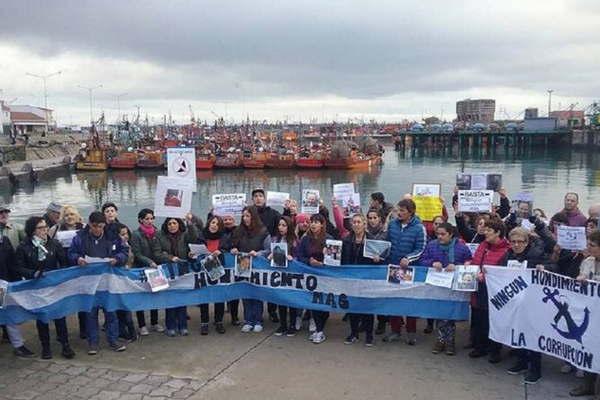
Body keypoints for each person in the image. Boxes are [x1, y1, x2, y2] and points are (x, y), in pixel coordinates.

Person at [14, 216, 75, 360]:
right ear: (32, 230)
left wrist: (61, 276)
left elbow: (64, 263)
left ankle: (65, 345)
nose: (44, 230)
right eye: (40, 228)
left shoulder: (54, 244)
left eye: (45, 227)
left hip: (54, 286)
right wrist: (32, 274)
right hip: (36, 288)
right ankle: (46, 347)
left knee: (59, 316)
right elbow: (18, 267)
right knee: (42, 317)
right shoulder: (24, 247)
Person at [68, 211, 129, 354]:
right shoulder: (79, 238)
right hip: (89, 281)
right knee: (90, 313)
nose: (98, 229)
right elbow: (71, 253)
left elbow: (124, 251)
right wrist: (78, 259)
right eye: (95, 226)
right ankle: (93, 343)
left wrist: (117, 259)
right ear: (89, 224)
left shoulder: (112, 237)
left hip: (107, 280)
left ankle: (113, 340)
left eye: (101, 226)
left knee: (111, 311)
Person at [499, 227, 548, 384]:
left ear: (527, 242)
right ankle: (521, 362)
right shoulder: (508, 255)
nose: (516, 245)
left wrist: (544, 268)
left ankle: (535, 369)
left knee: (532, 336)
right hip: (516, 302)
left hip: (533, 302)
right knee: (518, 332)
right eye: (513, 242)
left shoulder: (537, 254)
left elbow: (555, 268)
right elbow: (499, 270)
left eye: (520, 242)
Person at [419, 222, 472, 355]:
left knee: (450, 315)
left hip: (454, 286)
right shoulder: (431, 245)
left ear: (451, 234)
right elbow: (422, 260)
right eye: (438, 234)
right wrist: (432, 263)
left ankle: (450, 341)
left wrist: (457, 266)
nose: (440, 237)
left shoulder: (461, 247)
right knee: (440, 313)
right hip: (437, 285)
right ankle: (441, 340)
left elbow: (469, 262)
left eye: (443, 234)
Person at [384, 199, 427, 345]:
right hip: (393, 268)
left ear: (411, 212)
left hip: (410, 269)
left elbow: (421, 249)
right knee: (393, 299)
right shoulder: (392, 225)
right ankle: (395, 330)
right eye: (398, 210)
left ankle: (411, 332)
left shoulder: (419, 228)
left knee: (409, 301)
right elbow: (387, 244)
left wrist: (408, 258)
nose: (399, 213)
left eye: (402, 210)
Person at [469, 218, 509, 363]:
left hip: (493, 291)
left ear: (498, 232)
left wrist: (485, 277)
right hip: (479, 288)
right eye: (485, 230)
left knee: (493, 320)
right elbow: (475, 262)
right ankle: (480, 346)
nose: (485, 233)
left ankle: (494, 350)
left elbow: (502, 273)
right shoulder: (483, 245)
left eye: (489, 231)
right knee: (479, 318)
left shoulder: (506, 251)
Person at [341, 214, 384, 347]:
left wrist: (377, 259)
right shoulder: (346, 239)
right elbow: (341, 259)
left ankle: (369, 335)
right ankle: (354, 333)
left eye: (359, 222)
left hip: (367, 279)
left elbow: (380, 262)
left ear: (365, 224)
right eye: (354, 222)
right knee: (353, 306)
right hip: (351, 278)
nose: (356, 224)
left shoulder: (372, 240)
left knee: (367, 307)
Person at [47, 204, 87, 339]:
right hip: (63, 267)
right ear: (62, 217)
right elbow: (47, 245)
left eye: (71, 214)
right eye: (66, 215)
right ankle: (61, 333)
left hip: (81, 267)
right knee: (63, 300)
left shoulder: (84, 227)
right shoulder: (55, 229)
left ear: (77, 215)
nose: (69, 217)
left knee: (82, 299)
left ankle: (84, 329)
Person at [154, 215, 198, 337]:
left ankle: (183, 326)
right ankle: (171, 326)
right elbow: (157, 253)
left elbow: (194, 238)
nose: (172, 226)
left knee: (182, 298)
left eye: (174, 223)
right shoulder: (159, 236)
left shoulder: (185, 235)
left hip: (182, 270)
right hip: (168, 271)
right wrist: (170, 257)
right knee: (170, 299)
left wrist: (190, 223)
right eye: (169, 224)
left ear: (179, 224)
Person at [230, 206, 271, 333]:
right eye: (243, 216)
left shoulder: (263, 231)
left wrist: (258, 253)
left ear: (253, 217)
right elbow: (232, 246)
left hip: (258, 267)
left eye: (248, 216)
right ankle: (248, 320)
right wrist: (233, 250)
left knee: (257, 294)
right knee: (246, 294)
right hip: (243, 264)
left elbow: (268, 250)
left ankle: (258, 320)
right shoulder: (238, 231)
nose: (245, 218)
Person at [570, 230, 600, 397]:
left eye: (592, 245)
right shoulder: (588, 261)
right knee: (588, 348)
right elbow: (581, 277)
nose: (588, 247)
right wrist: (581, 278)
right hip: (589, 313)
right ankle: (587, 385)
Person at [297, 214, 331, 344]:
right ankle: (319, 330)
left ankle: (320, 329)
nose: (313, 224)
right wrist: (309, 261)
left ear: (322, 224)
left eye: (317, 222)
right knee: (314, 302)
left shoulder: (329, 239)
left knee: (324, 303)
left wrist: (323, 263)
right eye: (312, 222)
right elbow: (300, 256)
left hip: (325, 275)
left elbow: (336, 259)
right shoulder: (305, 239)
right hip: (311, 275)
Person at [130, 208, 164, 335]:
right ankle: (142, 325)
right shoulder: (136, 234)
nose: (150, 221)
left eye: (151, 218)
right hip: (141, 268)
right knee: (141, 297)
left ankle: (154, 322)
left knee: (154, 294)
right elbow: (137, 253)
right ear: (141, 220)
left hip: (155, 268)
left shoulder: (157, 232)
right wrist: (149, 261)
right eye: (147, 219)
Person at [251, 188, 281, 323]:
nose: (258, 198)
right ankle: (257, 314)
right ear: (252, 199)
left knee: (270, 283)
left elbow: (283, 226)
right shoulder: (249, 213)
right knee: (255, 284)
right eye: (255, 196)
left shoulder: (273, 213)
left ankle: (272, 311)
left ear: (264, 198)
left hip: (268, 252)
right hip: (253, 252)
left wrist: (287, 211)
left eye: (260, 196)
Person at [269, 216, 299, 337]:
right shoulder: (275, 239)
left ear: (289, 227)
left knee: (290, 300)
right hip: (278, 273)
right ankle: (282, 325)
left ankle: (292, 324)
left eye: (284, 225)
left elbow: (299, 257)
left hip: (290, 274)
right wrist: (270, 255)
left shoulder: (295, 241)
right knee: (280, 300)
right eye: (279, 225)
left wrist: (293, 259)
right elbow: (271, 252)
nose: (280, 227)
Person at [199, 215, 228, 335]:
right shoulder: (201, 236)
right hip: (203, 271)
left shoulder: (224, 238)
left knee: (219, 297)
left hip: (218, 270)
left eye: (217, 224)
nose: (214, 225)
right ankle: (204, 322)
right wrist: (192, 254)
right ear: (209, 223)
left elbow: (227, 249)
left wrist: (220, 252)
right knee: (204, 297)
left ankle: (219, 321)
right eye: (213, 222)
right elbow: (196, 252)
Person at [115, 223, 137, 342]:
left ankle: (132, 332)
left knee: (126, 308)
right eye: (122, 234)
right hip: (118, 280)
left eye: (126, 233)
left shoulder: (130, 245)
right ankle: (122, 331)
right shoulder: (116, 247)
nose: (125, 236)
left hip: (127, 280)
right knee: (119, 309)